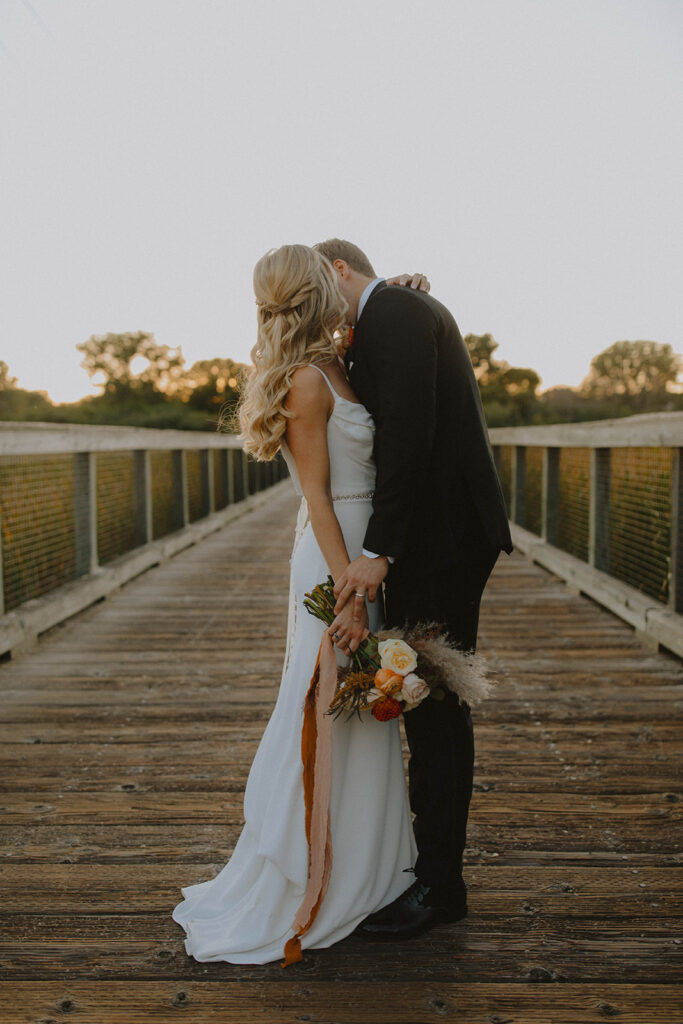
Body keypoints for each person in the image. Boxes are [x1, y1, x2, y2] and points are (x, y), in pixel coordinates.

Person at [171, 244, 429, 965]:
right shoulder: (307, 382)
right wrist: (348, 584)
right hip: (336, 551)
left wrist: (400, 292)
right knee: (325, 702)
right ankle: (315, 870)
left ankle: (367, 865)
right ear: (316, 292)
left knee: (355, 706)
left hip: (361, 550)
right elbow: (316, 494)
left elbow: (369, 328)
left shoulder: (335, 359)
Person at [314, 238, 513, 940]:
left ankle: (438, 886)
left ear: (339, 269)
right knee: (426, 701)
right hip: (441, 535)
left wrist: (377, 551)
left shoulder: (394, 311)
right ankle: (431, 872)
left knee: (434, 707)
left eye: (319, 283)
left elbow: (408, 436)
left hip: (440, 540)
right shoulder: (392, 311)